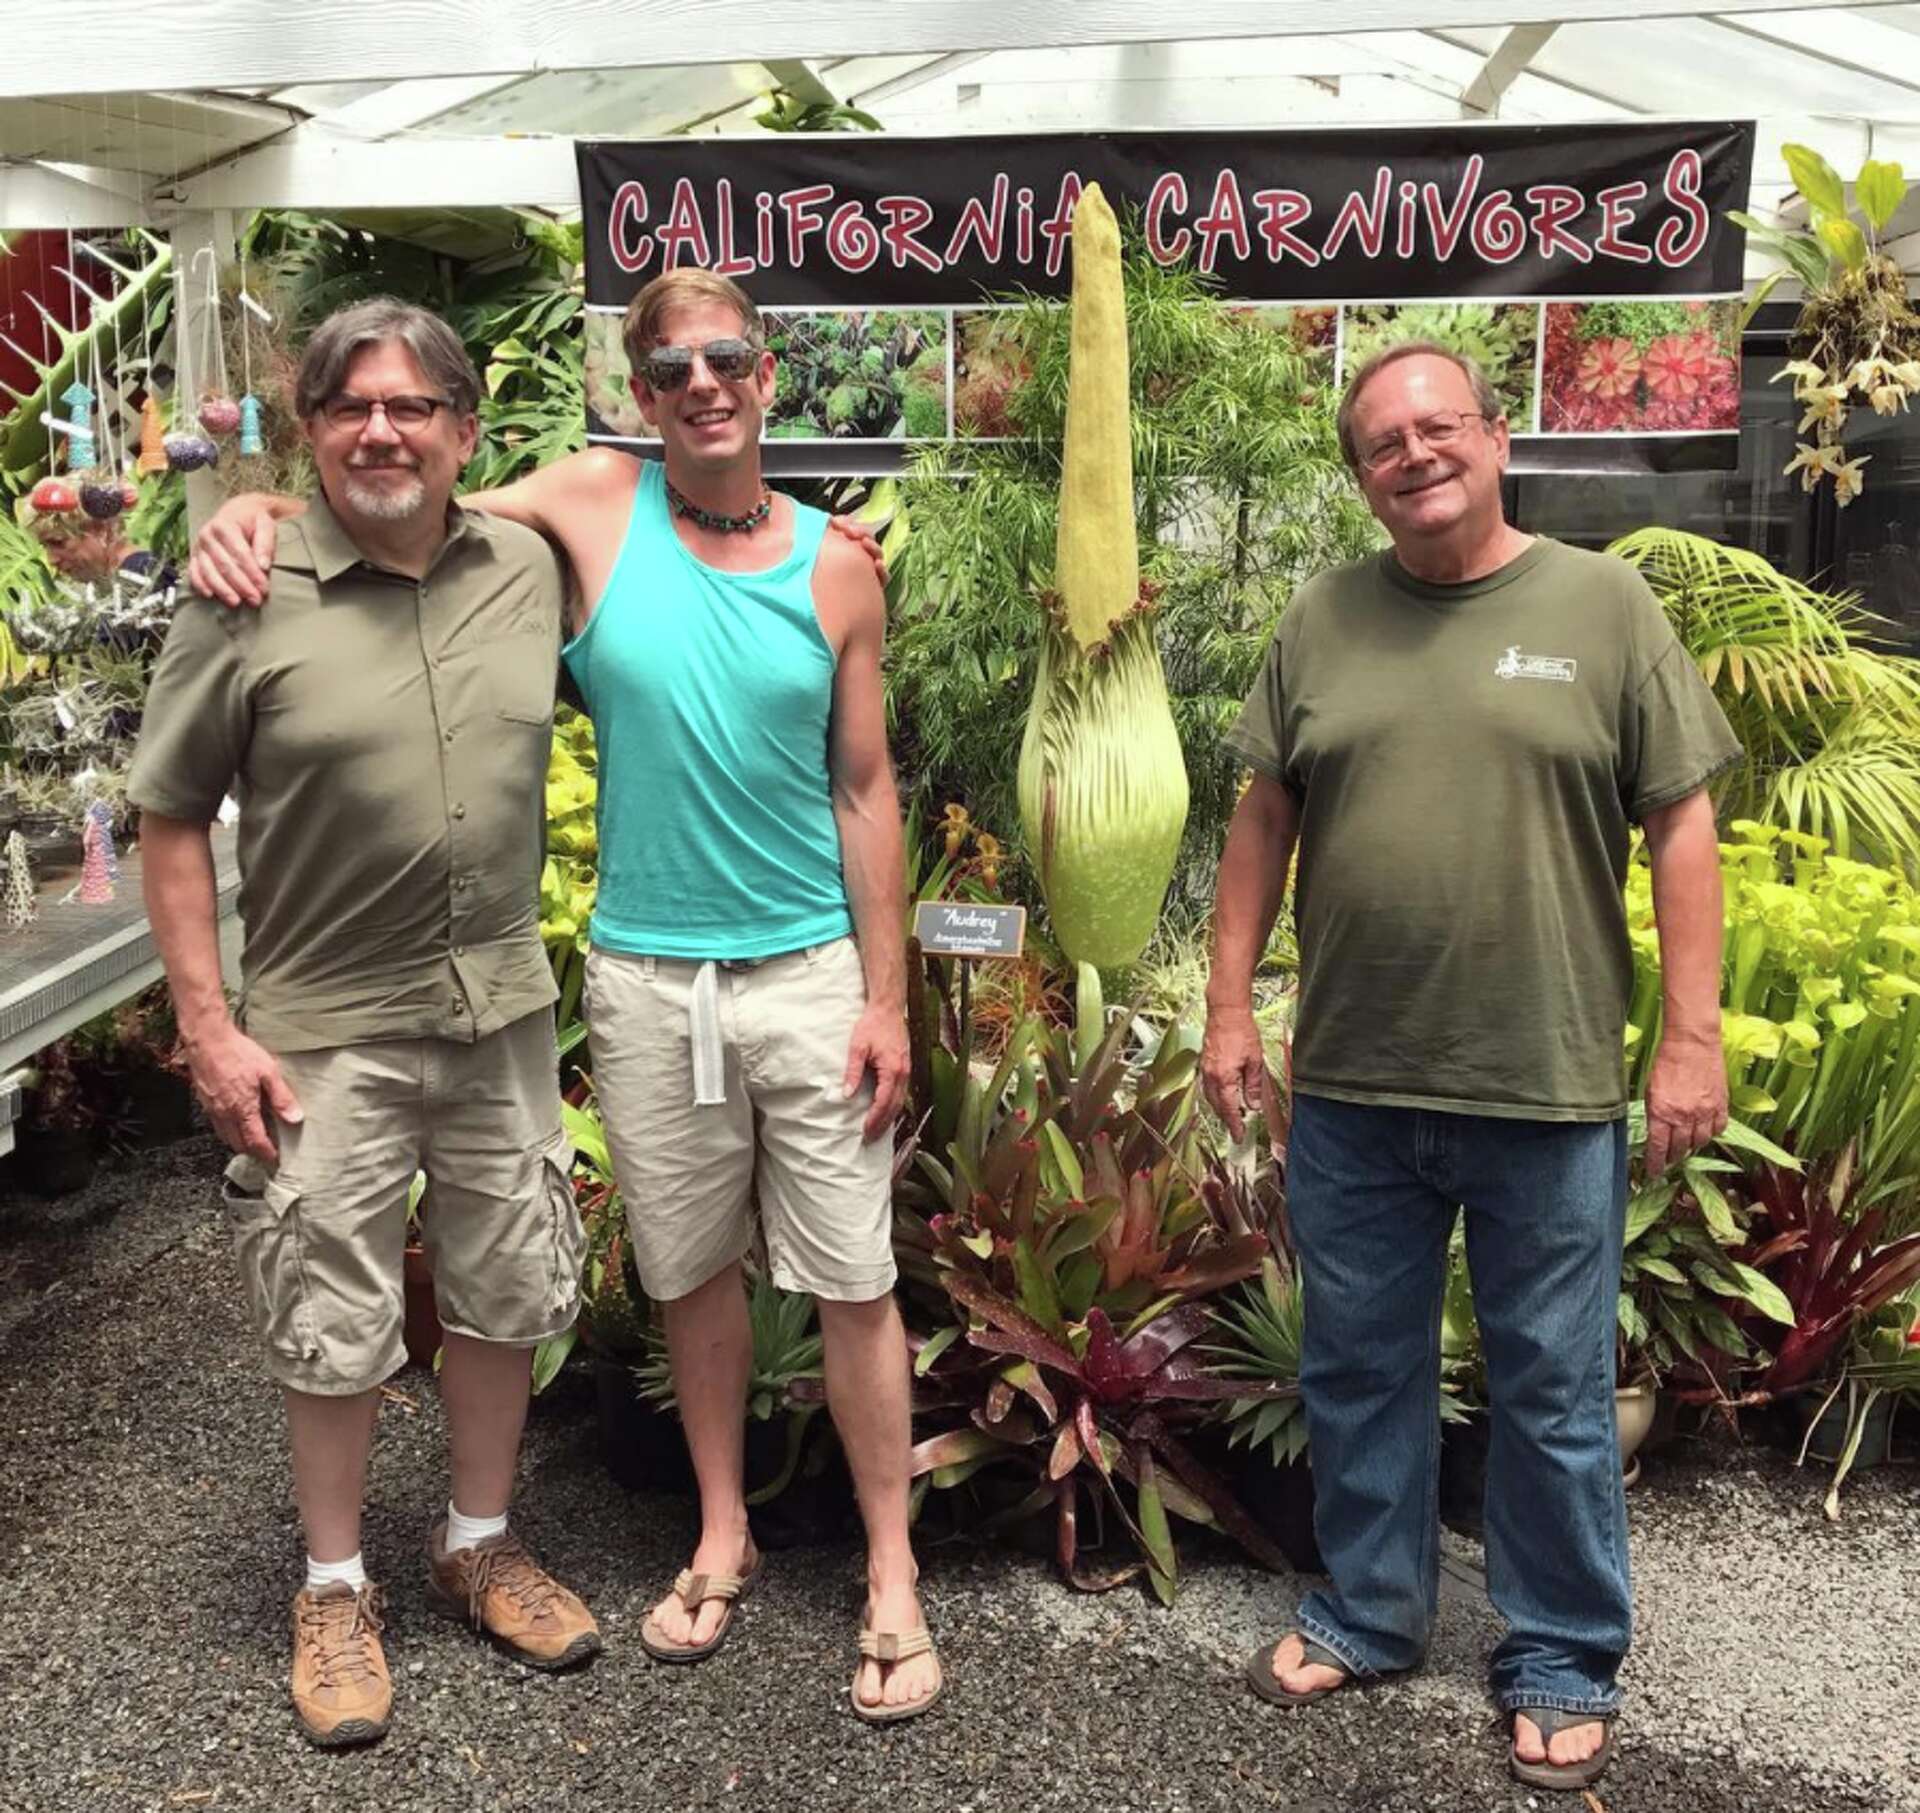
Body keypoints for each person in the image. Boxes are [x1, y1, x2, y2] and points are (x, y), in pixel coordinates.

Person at [189, 270, 940, 1721]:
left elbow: (867, 784)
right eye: (671, 367)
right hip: (650, 973)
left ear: (769, 376)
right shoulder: (597, 503)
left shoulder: (840, 565)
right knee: (686, 1270)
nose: (702, 384)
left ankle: (891, 1568)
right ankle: (721, 1530)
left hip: (803, 972)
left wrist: (888, 996)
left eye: (727, 358)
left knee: (854, 1275)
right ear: (640, 393)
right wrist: (263, 512)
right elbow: (406, 493)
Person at [1201, 343, 1739, 1793]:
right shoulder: (1321, 620)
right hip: (1358, 1087)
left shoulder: (1603, 604)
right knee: (1356, 1365)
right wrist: (1230, 1010)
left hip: (1546, 1084)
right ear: (1360, 474)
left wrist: (1692, 1031)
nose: (1416, 451)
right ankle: (1372, 1609)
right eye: (1384, 439)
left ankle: (1560, 1647)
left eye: (1441, 425)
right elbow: (1263, 821)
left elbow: (1681, 822)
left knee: (1554, 1385)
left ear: (1498, 439)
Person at [130, 299, 602, 1751]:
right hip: (322, 1023)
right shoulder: (243, 590)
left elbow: (648, 485)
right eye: (349, 408)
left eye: (412, 407)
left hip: (498, 1004)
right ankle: (333, 1584)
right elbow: (165, 814)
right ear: (311, 431)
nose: (381, 430)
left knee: (505, 1278)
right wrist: (207, 1026)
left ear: (466, 431)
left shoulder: (527, 563)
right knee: (327, 1300)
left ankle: (475, 1538)